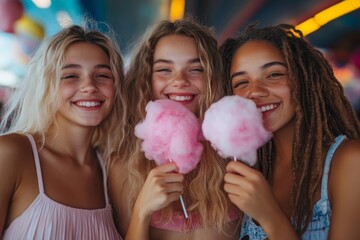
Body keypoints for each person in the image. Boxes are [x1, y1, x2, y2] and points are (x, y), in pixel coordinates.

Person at [219, 23, 360, 239]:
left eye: (274, 74)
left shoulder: (350, 161)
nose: (255, 91)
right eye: (241, 82)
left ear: (303, 80)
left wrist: (268, 215)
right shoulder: (247, 167)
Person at [107, 17, 240, 240]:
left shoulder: (236, 154)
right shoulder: (122, 163)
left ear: (212, 79)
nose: (180, 80)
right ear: (146, 80)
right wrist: (142, 211)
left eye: (196, 69)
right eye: (164, 70)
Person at [0, 22, 126, 239]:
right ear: (46, 85)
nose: (89, 86)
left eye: (102, 75)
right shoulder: (12, 153)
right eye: (71, 76)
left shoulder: (111, 172)